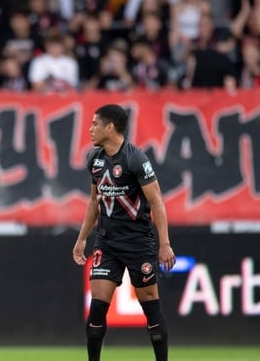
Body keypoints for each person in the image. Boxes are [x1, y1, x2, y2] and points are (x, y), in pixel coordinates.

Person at [73, 104, 176, 361]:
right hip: (106, 243)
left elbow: (157, 202)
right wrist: (81, 238)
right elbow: (93, 202)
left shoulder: (135, 159)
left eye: (95, 124)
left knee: (150, 306)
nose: (90, 129)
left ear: (110, 127)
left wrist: (164, 244)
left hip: (138, 243)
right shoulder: (95, 161)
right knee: (97, 307)